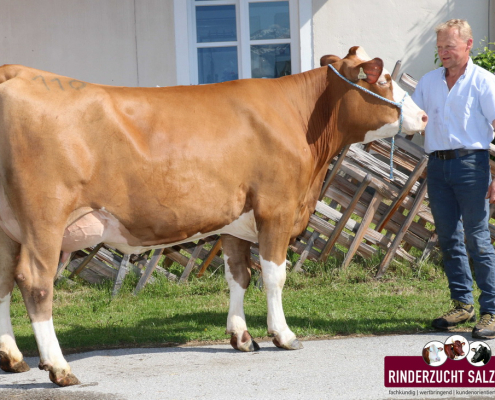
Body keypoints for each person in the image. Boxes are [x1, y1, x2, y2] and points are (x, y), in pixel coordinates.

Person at [412, 19, 495, 339]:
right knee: (447, 237)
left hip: (472, 165)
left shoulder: (484, 81)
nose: (444, 52)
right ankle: (462, 304)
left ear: (468, 44)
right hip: (437, 166)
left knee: (477, 237)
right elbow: (413, 119)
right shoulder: (429, 81)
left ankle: (491, 309)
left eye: (450, 46)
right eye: (440, 47)